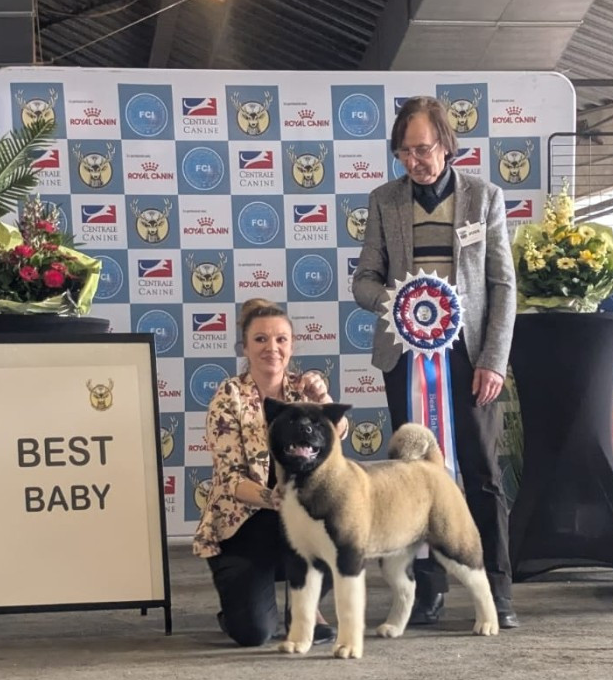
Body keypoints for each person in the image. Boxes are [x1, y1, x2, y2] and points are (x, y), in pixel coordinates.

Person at [352, 94, 519, 629]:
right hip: (406, 358)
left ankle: (497, 589)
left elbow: (502, 286)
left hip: (470, 360)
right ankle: (428, 592)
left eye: (422, 149)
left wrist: (493, 361)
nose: (413, 161)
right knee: (412, 478)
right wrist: (400, 304)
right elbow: (363, 280)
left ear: (446, 144)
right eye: (403, 151)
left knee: (482, 474)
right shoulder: (384, 201)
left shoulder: (485, 197)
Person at [193, 299, 345, 647]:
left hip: (299, 520)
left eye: (281, 340)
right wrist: (273, 498)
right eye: (260, 340)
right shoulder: (228, 396)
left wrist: (325, 402)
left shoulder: (303, 389)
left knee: (345, 522)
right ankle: (236, 607)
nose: (271, 348)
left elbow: (336, 439)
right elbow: (230, 480)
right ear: (244, 346)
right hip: (247, 523)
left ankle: (305, 608)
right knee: (253, 633)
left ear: (292, 346)